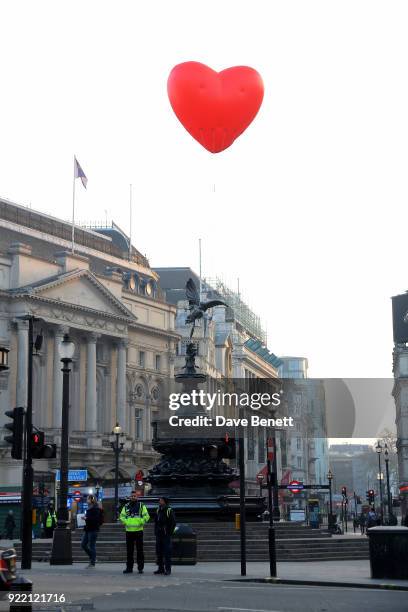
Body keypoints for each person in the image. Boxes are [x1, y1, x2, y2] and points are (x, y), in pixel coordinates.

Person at [120, 491, 150, 574]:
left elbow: (147, 516)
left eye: (135, 496)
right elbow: (121, 516)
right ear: (130, 497)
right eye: (132, 496)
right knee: (129, 551)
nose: (133, 497)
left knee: (140, 550)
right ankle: (129, 568)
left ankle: (140, 568)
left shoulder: (141, 506)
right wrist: (126, 522)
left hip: (139, 531)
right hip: (129, 531)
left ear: (137, 497)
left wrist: (141, 522)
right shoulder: (126, 506)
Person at [154, 497, 176, 576]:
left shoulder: (169, 510)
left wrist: (169, 533)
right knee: (159, 551)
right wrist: (156, 531)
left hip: (166, 534)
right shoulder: (158, 510)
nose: (159, 501)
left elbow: (173, 523)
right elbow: (156, 522)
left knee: (167, 552)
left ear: (165, 502)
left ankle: (168, 569)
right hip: (159, 534)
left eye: (161, 500)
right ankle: (160, 568)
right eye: (159, 500)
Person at [81, 495, 103, 568]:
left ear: (92, 500)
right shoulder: (89, 508)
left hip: (93, 529)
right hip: (87, 529)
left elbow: (95, 520)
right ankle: (93, 557)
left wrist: (86, 518)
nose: (87, 501)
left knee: (91, 546)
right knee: (83, 544)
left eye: (88, 499)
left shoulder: (96, 509)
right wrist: (86, 518)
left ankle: (92, 562)